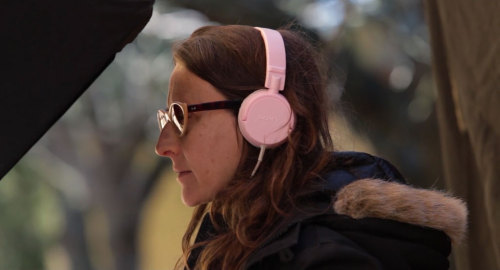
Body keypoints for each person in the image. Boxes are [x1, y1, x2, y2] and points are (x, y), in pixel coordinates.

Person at [155, 24, 467, 270]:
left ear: (264, 117)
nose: (163, 145)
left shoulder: (329, 259)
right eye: (166, 117)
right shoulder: (230, 237)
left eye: (182, 115)